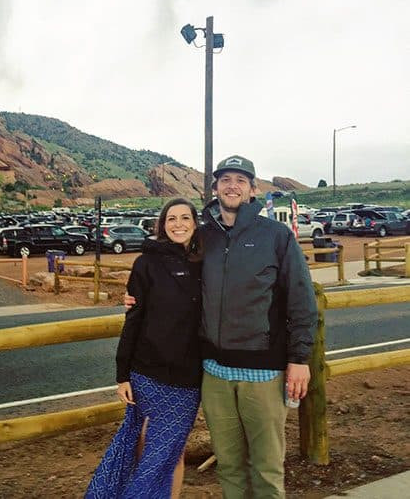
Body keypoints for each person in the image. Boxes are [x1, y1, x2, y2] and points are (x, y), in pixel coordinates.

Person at [126, 155, 317, 498]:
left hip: (263, 372)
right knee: (228, 466)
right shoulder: (204, 237)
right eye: (225, 179)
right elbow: (163, 258)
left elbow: (301, 301)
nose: (232, 186)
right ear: (214, 188)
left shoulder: (275, 236)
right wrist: (136, 294)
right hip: (213, 373)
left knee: (267, 467)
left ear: (253, 189)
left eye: (241, 180)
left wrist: (299, 358)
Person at [86, 198, 203, 499]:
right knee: (144, 443)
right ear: (162, 225)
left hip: (188, 378)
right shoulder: (146, 263)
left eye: (185, 218)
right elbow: (133, 320)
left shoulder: (205, 262)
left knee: (172, 449)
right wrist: (122, 374)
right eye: (171, 218)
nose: (179, 224)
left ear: (195, 223)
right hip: (147, 372)